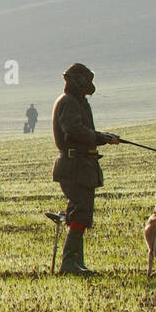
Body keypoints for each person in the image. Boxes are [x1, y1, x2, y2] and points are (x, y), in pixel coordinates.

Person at [52, 63, 120, 275]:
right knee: (81, 212)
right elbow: (74, 131)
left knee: (81, 213)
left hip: (80, 166)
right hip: (75, 167)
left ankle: (76, 262)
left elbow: (81, 130)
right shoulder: (69, 103)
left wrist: (102, 137)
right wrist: (100, 137)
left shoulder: (75, 102)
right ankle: (70, 264)